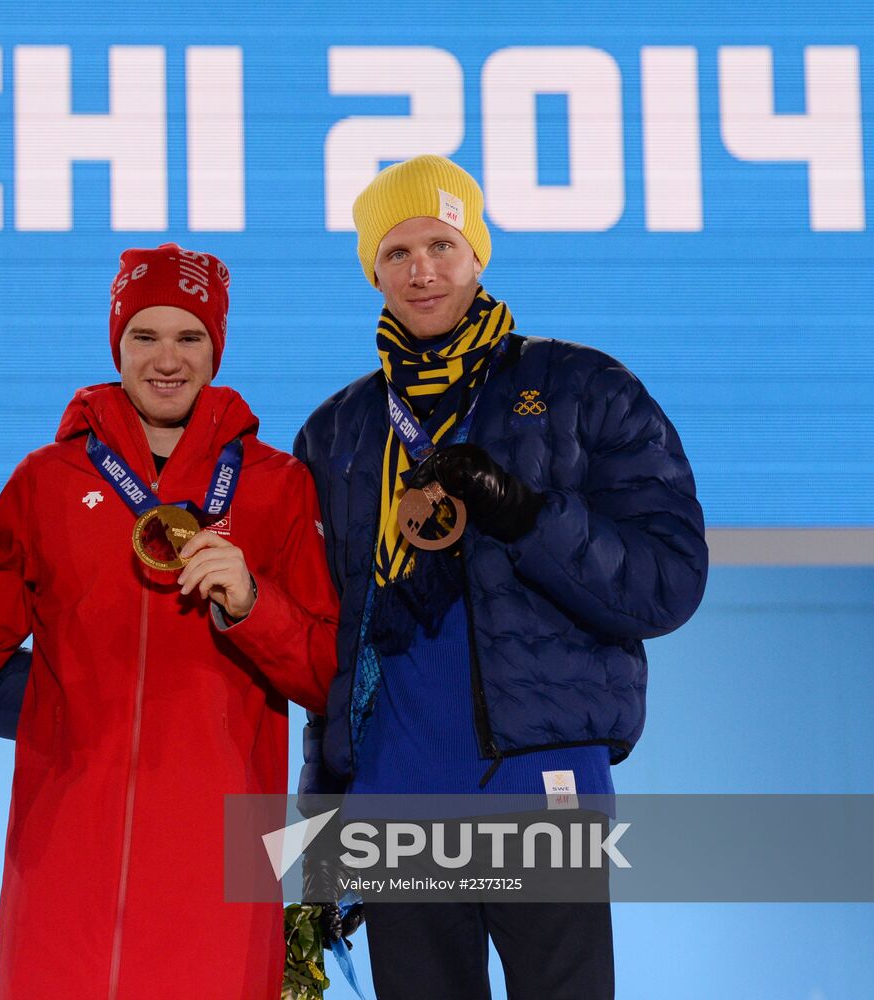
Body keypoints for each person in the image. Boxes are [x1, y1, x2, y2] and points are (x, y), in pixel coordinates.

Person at [294, 156, 708, 998]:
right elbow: (328, 646)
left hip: (538, 781)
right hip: (397, 793)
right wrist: (318, 835)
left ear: (477, 253)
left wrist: (527, 515)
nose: (422, 269)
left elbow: (668, 582)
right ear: (371, 269)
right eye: (398, 250)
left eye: (441, 244)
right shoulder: (338, 431)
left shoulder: (579, 387)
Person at [0, 243, 340, 999]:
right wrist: (49, 708)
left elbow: (329, 675)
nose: (166, 360)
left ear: (216, 348)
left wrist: (253, 604)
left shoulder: (276, 486)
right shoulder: (46, 481)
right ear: (116, 343)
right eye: (144, 336)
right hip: (64, 855)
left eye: (189, 337)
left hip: (217, 863)